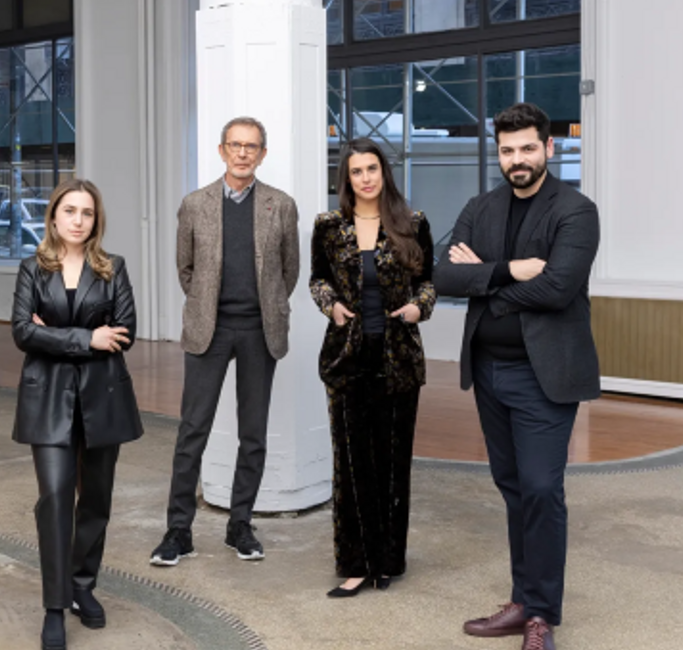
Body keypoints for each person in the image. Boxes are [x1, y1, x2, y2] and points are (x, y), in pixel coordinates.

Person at [432, 103, 600, 650]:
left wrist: (486, 285)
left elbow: (557, 288)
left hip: (544, 375)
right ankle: (522, 598)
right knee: (512, 489)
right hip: (487, 372)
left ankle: (540, 617)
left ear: (548, 148)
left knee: (542, 488)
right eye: (507, 150)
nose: (517, 159)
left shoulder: (575, 210)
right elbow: (441, 273)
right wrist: (507, 270)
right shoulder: (481, 207)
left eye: (528, 148)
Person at [150, 116, 300, 566]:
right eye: (235, 145)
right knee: (192, 431)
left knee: (253, 434)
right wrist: (205, 306)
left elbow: (287, 272)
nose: (242, 153)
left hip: (259, 332)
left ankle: (240, 525)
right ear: (221, 151)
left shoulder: (282, 205)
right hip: (208, 331)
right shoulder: (195, 204)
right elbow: (185, 269)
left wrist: (264, 304)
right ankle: (178, 531)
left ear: (262, 154)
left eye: (251, 146)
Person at [11, 179, 144, 650]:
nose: (77, 220)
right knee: (54, 498)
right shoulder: (31, 269)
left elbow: (125, 334)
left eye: (86, 213)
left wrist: (56, 335)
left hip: (102, 399)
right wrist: (87, 337)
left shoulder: (113, 269)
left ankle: (82, 587)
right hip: (47, 399)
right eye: (69, 210)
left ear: (95, 221)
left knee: (95, 502)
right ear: (53, 216)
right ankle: (54, 606)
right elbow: (23, 333)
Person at [309, 137, 436, 598]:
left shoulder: (412, 223)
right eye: (356, 171)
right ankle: (355, 564)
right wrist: (331, 306)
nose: (365, 178)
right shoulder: (328, 226)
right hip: (347, 357)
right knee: (350, 463)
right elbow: (318, 278)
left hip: (399, 357)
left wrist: (419, 308)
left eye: (372, 169)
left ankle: (387, 561)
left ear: (385, 173)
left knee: (392, 462)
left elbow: (427, 284)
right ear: (346, 178)